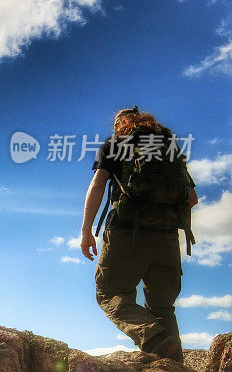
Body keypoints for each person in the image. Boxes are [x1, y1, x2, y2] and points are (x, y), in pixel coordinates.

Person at [80, 106, 198, 363]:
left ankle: (155, 339)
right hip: (167, 238)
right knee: (162, 308)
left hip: (126, 232)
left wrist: (86, 230)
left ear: (121, 125)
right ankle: (172, 364)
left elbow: (98, 184)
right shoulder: (168, 148)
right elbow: (192, 198)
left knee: (109, 293)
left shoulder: (117, 143)